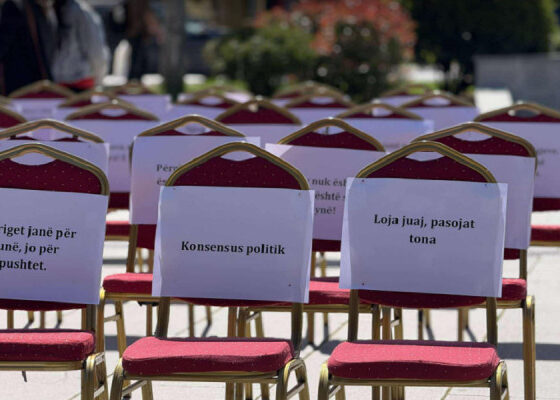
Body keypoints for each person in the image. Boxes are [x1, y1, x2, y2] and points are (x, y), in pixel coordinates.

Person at [0, 0, 57, 95]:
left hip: (20, 79)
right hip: (37, 77)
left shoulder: (12, 6)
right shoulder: (30, 5)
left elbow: (4, 42)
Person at [50, 0, 109, 91]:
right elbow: (96, 52)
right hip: (71, 83)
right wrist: (99, 79)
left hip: (77, 81)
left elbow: (95, 52)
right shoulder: (52, 11)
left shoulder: (80, 12)